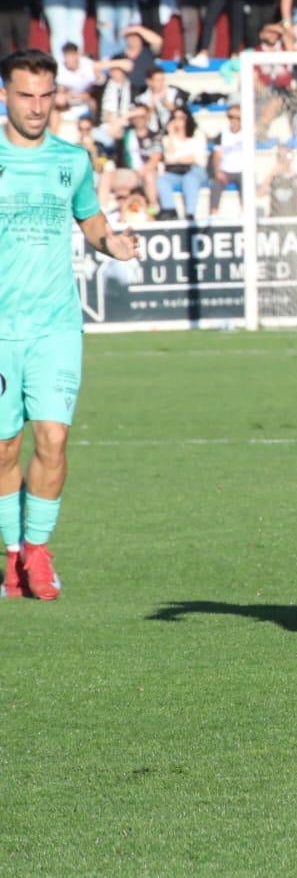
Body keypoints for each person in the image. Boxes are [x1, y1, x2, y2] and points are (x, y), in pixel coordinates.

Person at [0, 48, 141, 599]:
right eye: (25, 95)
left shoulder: (73, 159)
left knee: (52, 440)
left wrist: (114, 243)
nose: (37, 107)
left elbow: (90, 219)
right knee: (5, 448)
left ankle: (37, 551)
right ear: (6, 95)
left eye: (46, 95)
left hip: (57, 324)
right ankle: (12, 555)